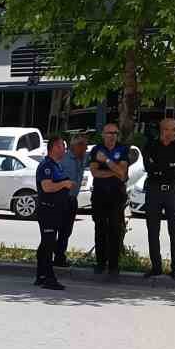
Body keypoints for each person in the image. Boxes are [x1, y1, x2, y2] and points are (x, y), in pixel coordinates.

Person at [141, 116, 175, 279]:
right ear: (163, 130)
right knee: (153, 230)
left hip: (172, 192)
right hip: (154, 191)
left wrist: (161, 167)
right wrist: (168, 166)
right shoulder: (151, 145)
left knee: (174, 229)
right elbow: (149, 167)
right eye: (171, 129)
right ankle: (156, 266)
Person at [88, 123, 130, 276]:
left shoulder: (123, 149)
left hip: (116, 196)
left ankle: (113, 265)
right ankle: (100, 263)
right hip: (99, 195)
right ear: (103, 134)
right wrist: (114, 171)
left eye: (115, 133)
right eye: (109, 132)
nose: (112, 135)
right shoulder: (96, 149)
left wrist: (106, 161)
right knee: (100, 228)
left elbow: (122, 173)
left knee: (115, 229)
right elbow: (95, 173)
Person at [33, 136, 74, 291]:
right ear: (54, 148)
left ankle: (41, 275)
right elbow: (47, 187)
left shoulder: (57, 165)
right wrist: (64, 183)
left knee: (46, 243)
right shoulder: (46, 166)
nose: (64, 149)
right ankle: (49, 278)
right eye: (62, 146)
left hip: (57, 209)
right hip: (47, 209)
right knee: (48, 243)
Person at [56, 135, 90, 267]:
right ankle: (55, 256)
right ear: (77, 146)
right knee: (59, 229)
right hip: (62, 199)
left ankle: (59, 255)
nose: (86, 148)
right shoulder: (63, 159)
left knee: (67, 231)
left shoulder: (82, 158)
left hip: (72, 200)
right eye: (84, 146)